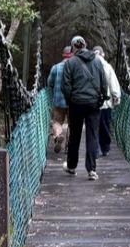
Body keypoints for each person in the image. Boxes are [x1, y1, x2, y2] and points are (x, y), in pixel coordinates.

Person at [60, 35, 107, 180]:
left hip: (76, 104)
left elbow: (65, 86)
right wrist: (102, 98)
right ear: (85, 45)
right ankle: (91, 170)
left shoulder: (70, 63)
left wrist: (70, 100)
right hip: (93, 103)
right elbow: (103, 83)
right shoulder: (98, 61)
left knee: (75, 135)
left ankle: (72, 166)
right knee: (92, 135)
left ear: (73, 47)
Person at [93, 46, 121, 157]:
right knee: (105, 125)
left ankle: (95, 149)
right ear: (103, 54)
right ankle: (105, 148)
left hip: (92, 102)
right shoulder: (108, 67)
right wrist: (116, 96)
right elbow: (113, 82)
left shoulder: (88, 65)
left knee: (94, 126)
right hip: (105, 103)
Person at [47, 46, 73, 155]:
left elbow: (49, 83)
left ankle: (58, 136)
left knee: (57, 122)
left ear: (63, 55)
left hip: (58, 101)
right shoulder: (76, 68)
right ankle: (69, 146)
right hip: (73, 101)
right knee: (73, 125)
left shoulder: (56, 67)